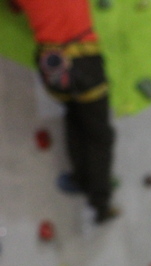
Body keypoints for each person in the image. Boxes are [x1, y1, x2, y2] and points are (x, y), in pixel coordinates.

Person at [15, 0, 118, 224]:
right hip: (84, 61)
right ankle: (101, 204)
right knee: (99, 135)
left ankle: (80, 179)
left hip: (51, 65)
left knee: (74, 116)